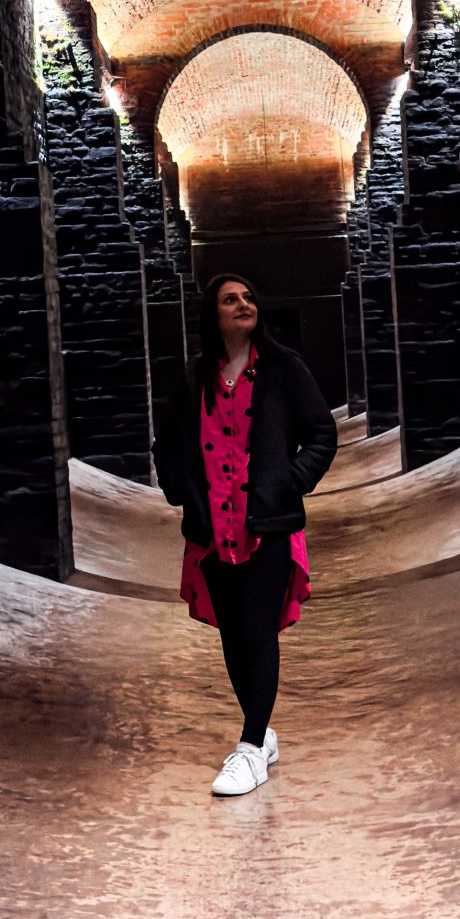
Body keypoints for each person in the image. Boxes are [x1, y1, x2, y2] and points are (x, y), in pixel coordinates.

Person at [152, 274, 338, 797]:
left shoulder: (283, 370)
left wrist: (288, 485)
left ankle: (251, 747)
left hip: (267, 530)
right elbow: (166, 445)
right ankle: (262, 735)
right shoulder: (194, 378)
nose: (243, 305)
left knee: (257, 630)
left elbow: (322, 434)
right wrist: (179, 491)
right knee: (233, 636)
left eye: (250, 296)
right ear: (212, 314)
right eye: (230, 299)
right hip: (212, 531)